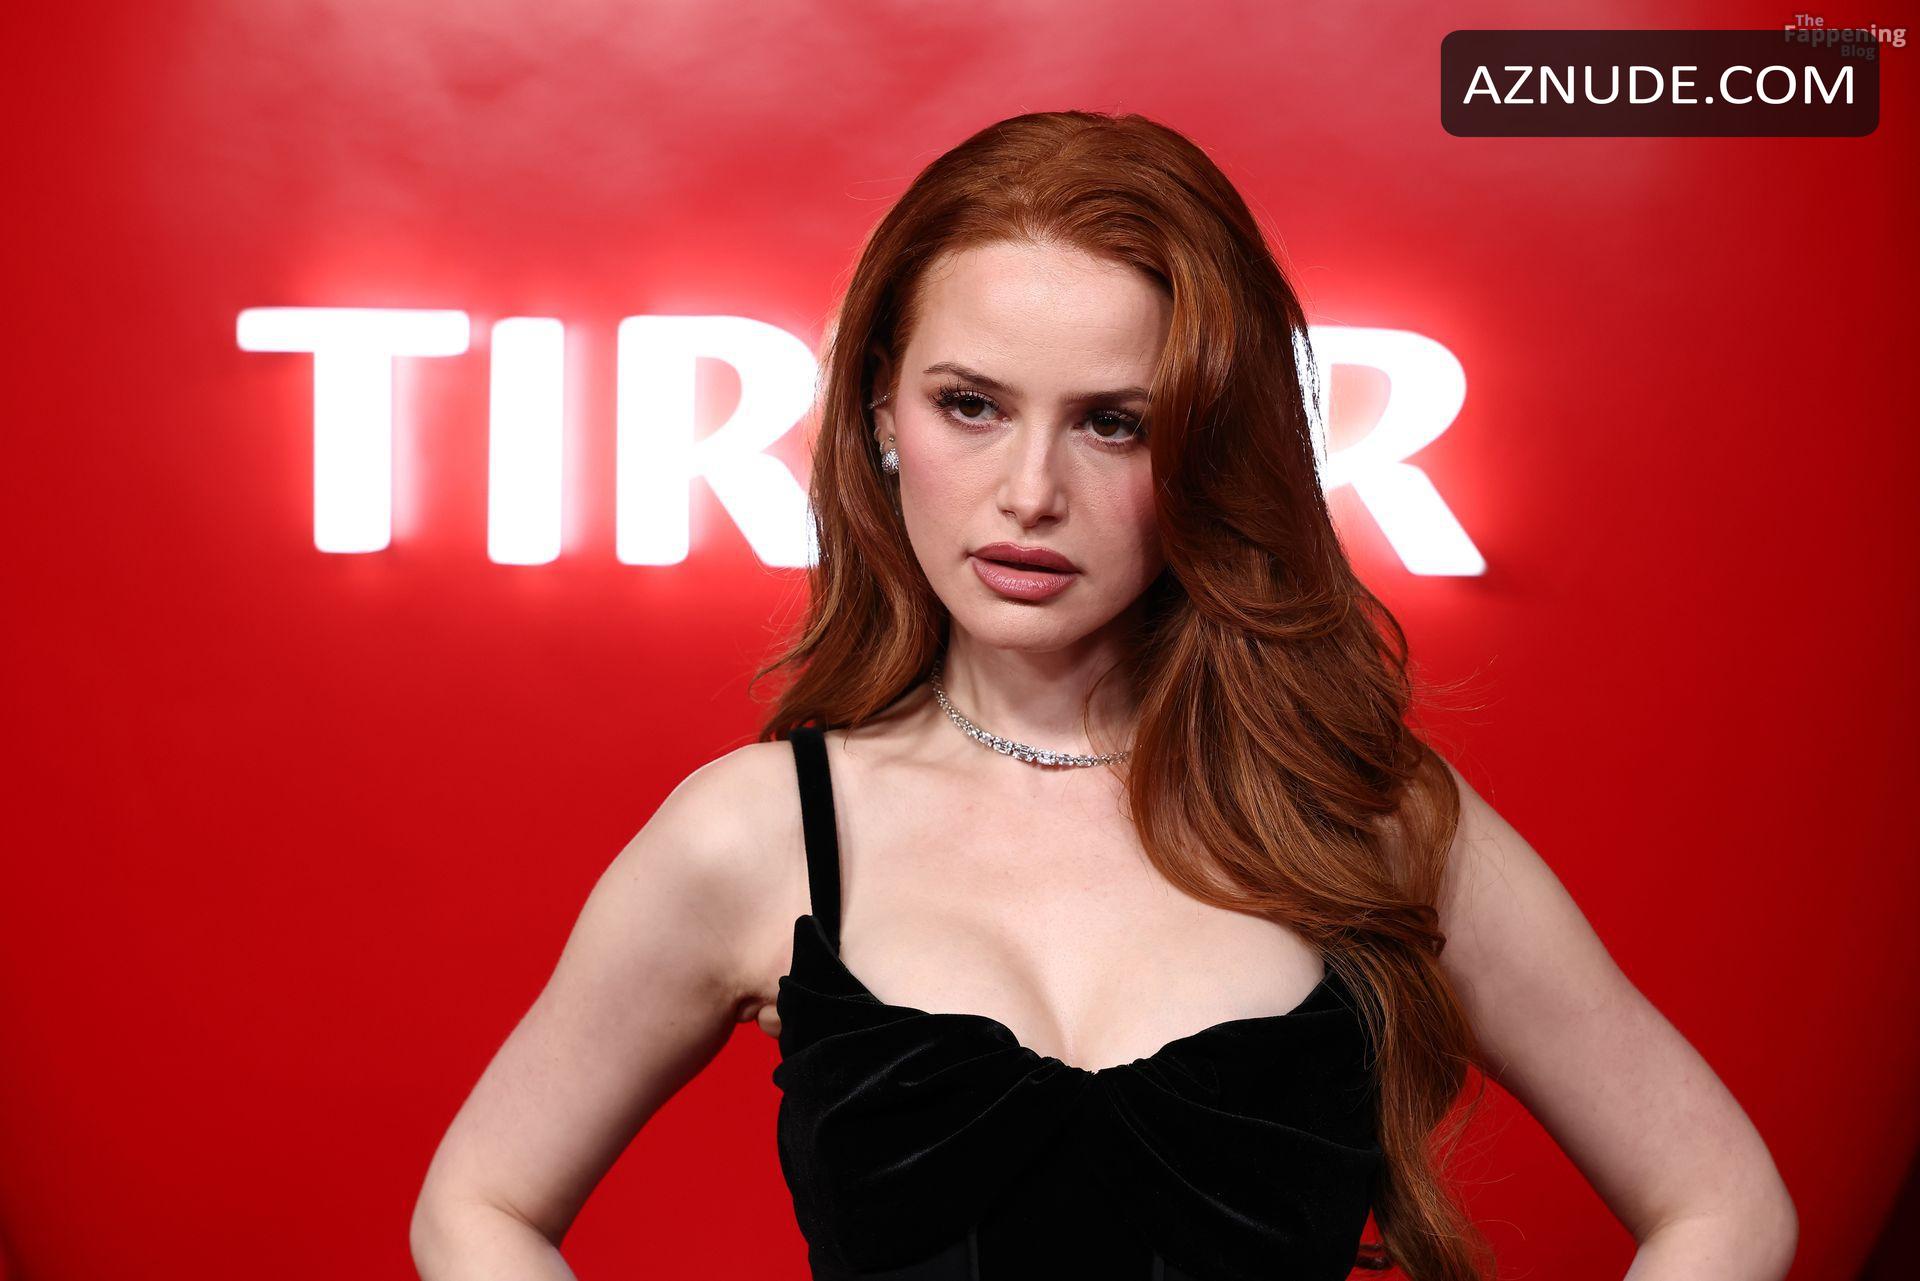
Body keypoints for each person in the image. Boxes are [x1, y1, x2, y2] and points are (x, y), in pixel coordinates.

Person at [408, 110, 1796, 1281]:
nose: (1030, 492)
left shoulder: (1367, 819)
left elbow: (1723, 1204)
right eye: (971, 404)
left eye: (1114, 423)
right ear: (882, 410)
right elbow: (478, 1206)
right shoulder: (756, 834)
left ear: (1208, 448)